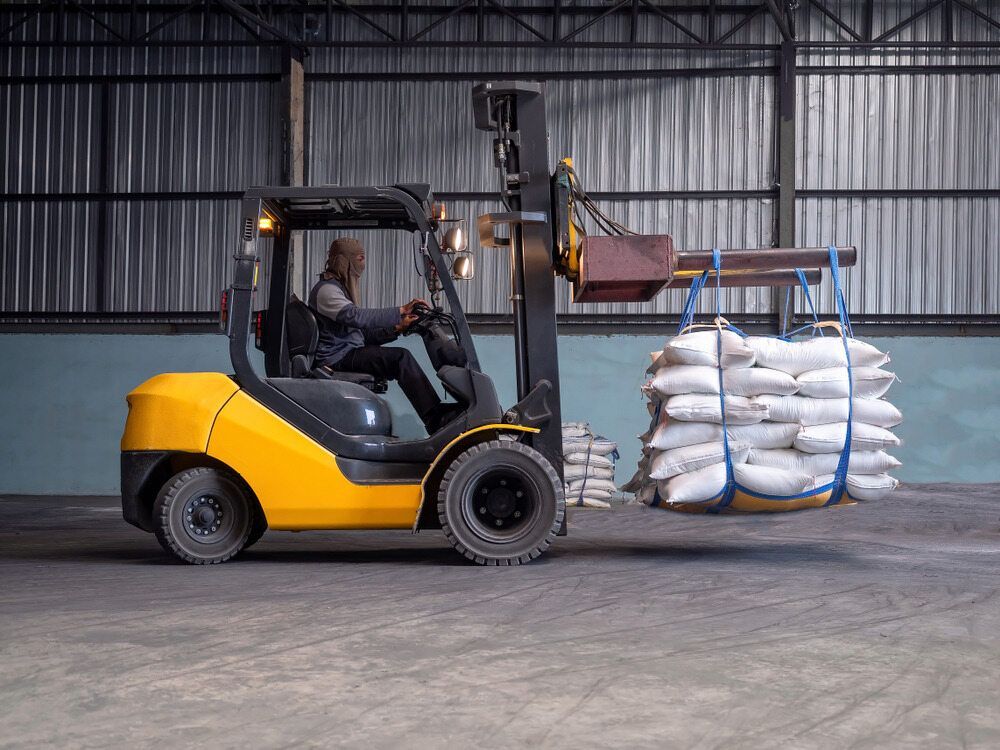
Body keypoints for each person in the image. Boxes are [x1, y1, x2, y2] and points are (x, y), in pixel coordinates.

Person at [308, 237, 449, 434]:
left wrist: (397, 328)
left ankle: (436, 415)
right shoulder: (327, 291)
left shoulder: (339, 290)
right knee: (400, 358)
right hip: (336, 358)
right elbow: (357, 317)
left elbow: (361, 334)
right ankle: (436, 420)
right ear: (344, 261)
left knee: (399, 356)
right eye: (360, 259)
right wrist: (400, 310)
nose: (363, 265)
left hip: (347, 351)